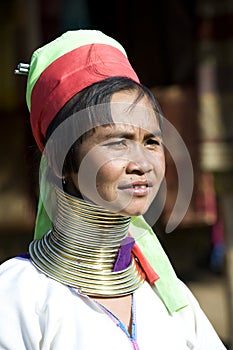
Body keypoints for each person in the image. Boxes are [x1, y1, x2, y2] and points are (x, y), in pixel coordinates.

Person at [0, 30, 226, 350]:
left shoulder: (168, 298)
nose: (142, 163)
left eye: (151, 141)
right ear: (61, 160)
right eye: (118, 142)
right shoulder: (15, 298)